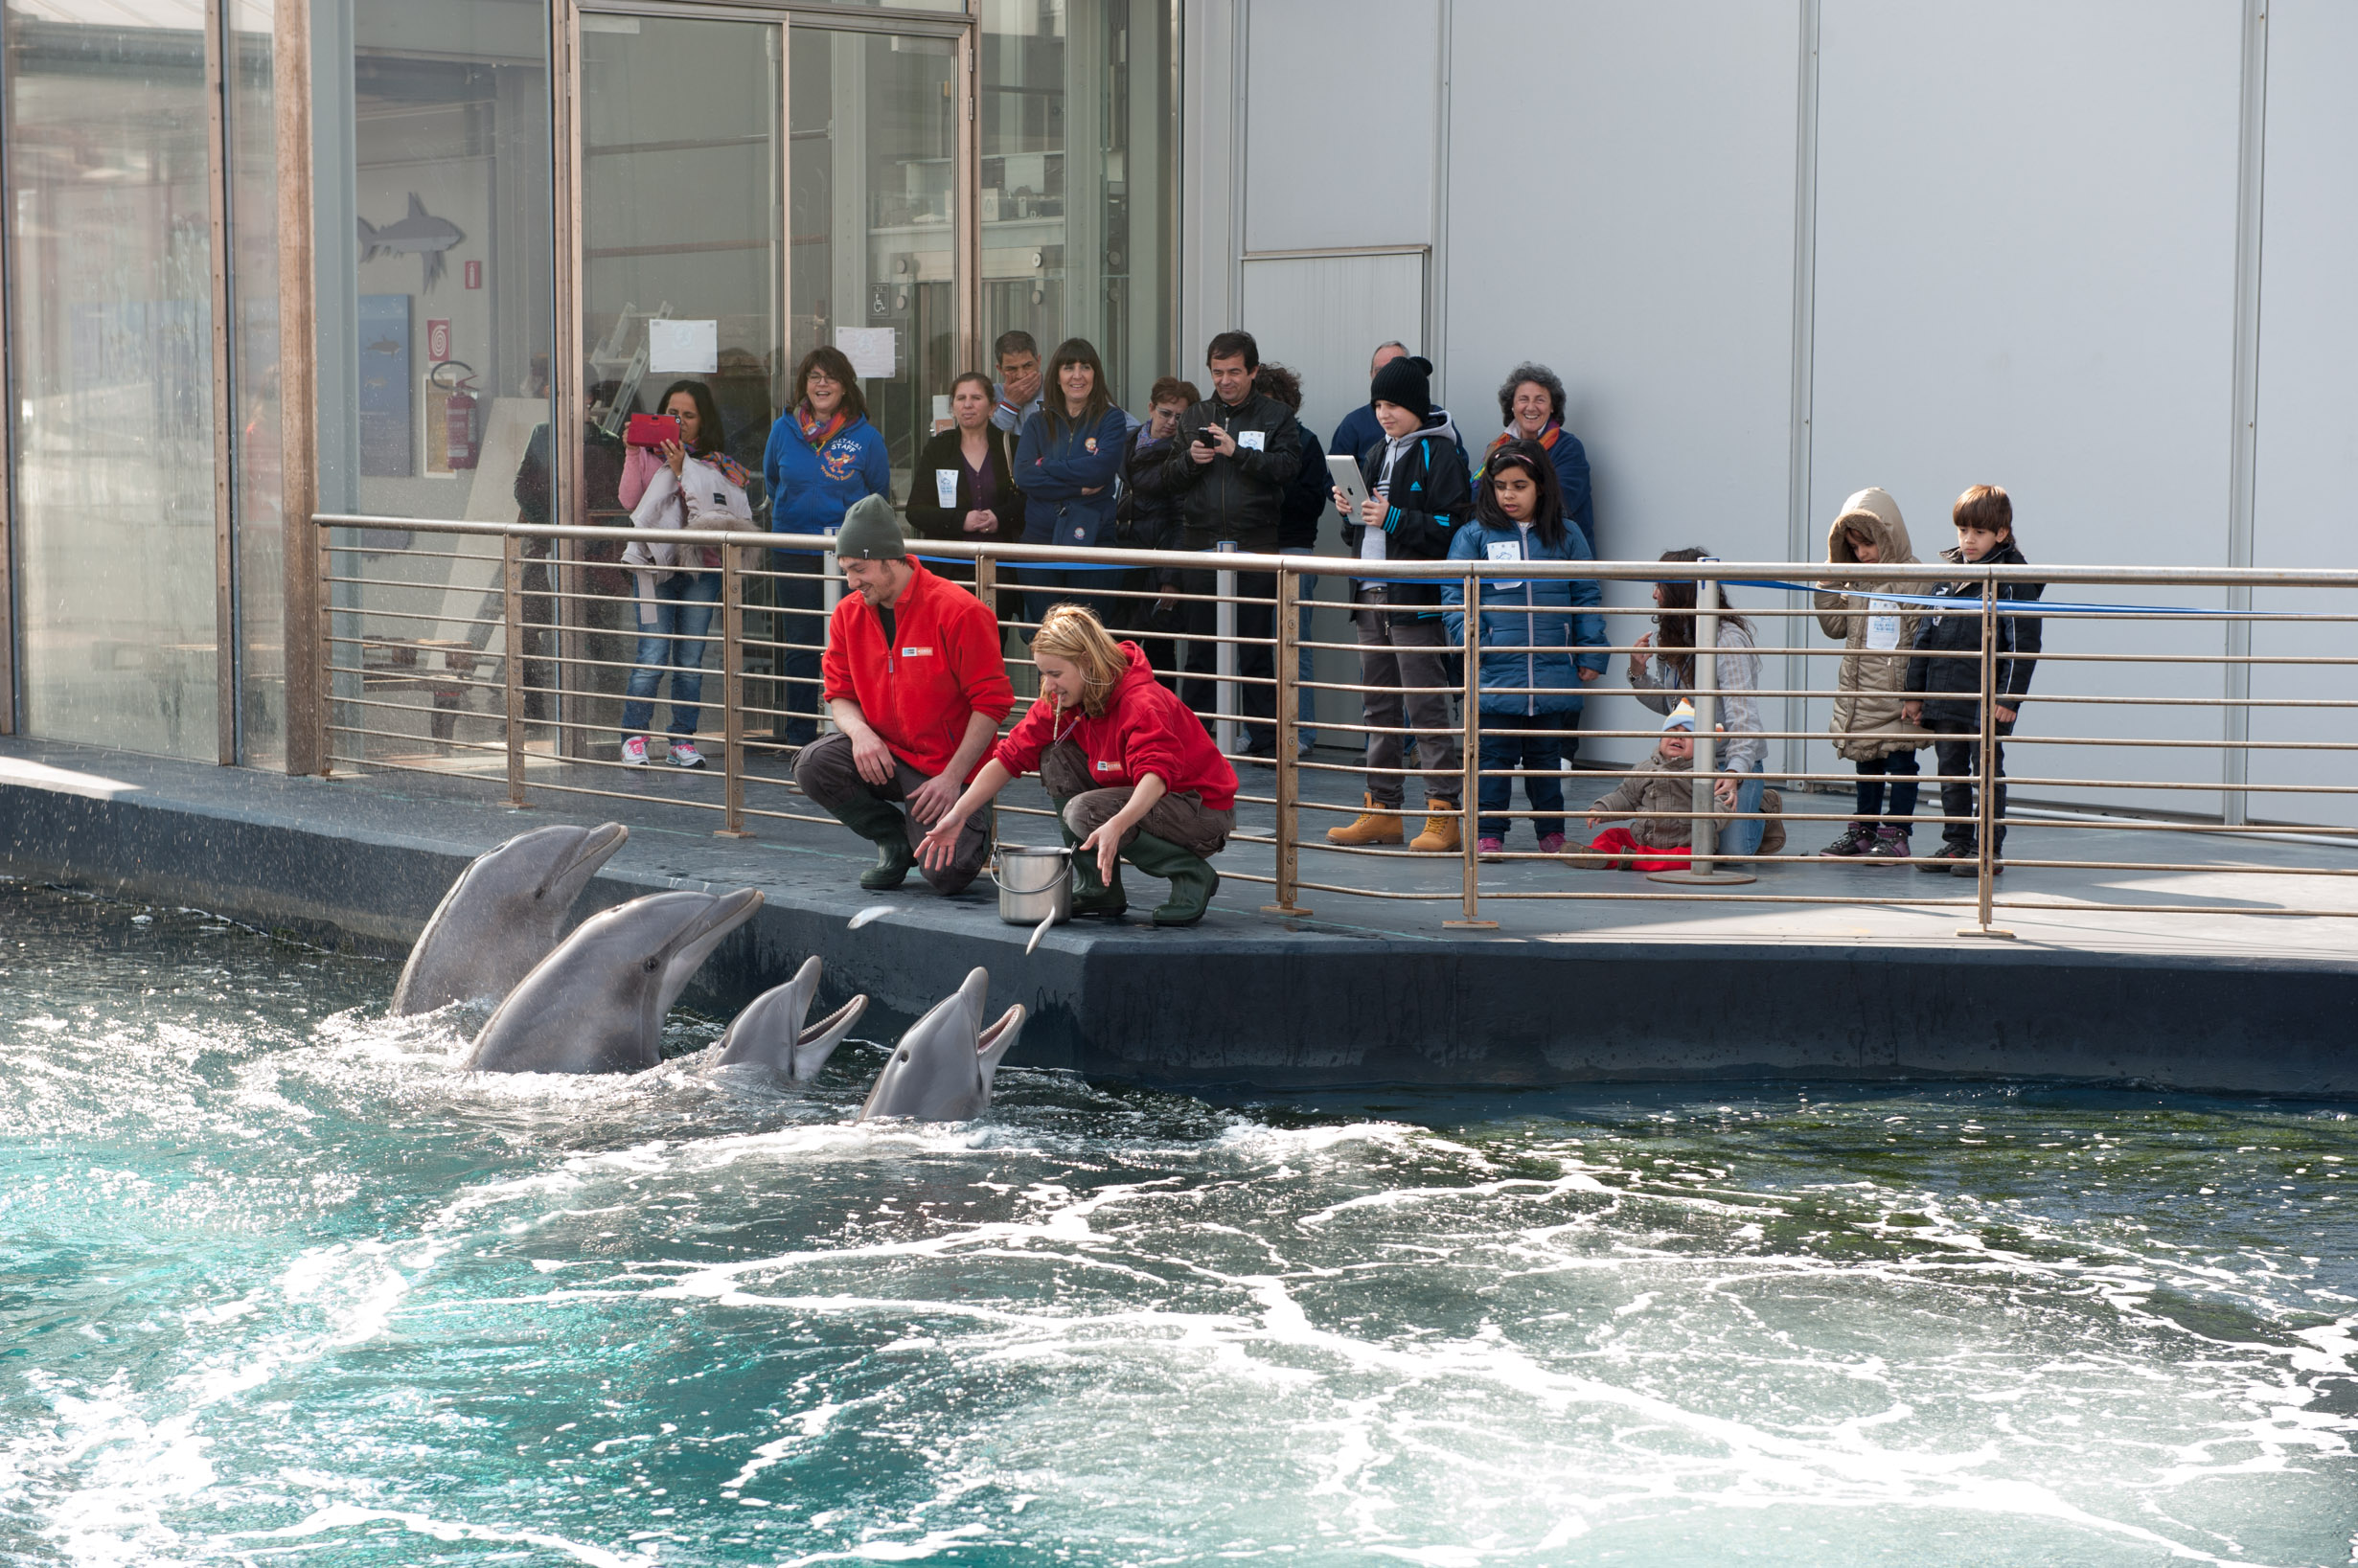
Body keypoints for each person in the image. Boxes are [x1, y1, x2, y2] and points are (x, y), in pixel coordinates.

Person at [917, 604, 1237, 926]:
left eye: (1055, 674)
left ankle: (1190, 875)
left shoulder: (1142, 702)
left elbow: (1156, 775)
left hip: (1199, 812)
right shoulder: (1062, 700)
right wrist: (958, 813)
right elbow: (1009, 756)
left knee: (1084, 812)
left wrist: (1118, 823)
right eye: (1044, 673)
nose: (1049, 684)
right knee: (1055, 756)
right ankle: (1098, 886)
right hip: (1146, 797)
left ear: (1086, 664)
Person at [792, 495, 1013, 895]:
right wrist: (860, 734)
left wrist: (952, 778)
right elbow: (838, 694)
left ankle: (966, 822)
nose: (852, 583)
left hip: (949, 770)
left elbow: (992, 704)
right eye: (846, 571)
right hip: (889, 758)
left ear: (892, 558)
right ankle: (893, 839)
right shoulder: (847, 613)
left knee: (948, 876)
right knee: (813, 763)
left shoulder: (959, 610)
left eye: (859, 569)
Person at [1324, 353, 1472, 852]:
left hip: (1414, 598)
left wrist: (1391, 518)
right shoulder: (1376, 451)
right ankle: (1381, 809)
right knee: (1378, 707)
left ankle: (1442, 813)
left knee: (1426, 707)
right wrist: (1351, 513)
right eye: (1379, 404)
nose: (1384, 414)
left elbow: (1454, 529)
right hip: (1370, 592)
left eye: (1394, 405)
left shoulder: (1440, 454)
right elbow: (1366, 527)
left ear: (1417, 406)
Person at [1135, 330, 1303, 758]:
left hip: (1256, 545)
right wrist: (1191, 460)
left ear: (1253, 371)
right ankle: (1192, 744)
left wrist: (1237, 452)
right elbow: (1167, 480)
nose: (1225, 381)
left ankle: (1267, 744)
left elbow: (1288, 469)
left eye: (1233, 372)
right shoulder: (1195, 415)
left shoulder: (1275, 416)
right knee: (1200, 651)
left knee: (1256, 651)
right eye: (1217, 372)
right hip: (1201, 543)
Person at [1440, 438, 1607, 858]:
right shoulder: (1473, 535)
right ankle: (1488, 832)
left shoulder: (1567, 535)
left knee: (1546, 761)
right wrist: (1472, 643)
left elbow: (1586, 595)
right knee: (1492, 760)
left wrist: (1591, 653)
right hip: (1495, 671)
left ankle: (1551, 832)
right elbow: (1454, 599)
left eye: (1519, 485)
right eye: (1500, 486)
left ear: (1542, 487)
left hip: (1552, 672)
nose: (1508, 495)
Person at [1902, 483, 2044, 875]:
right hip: (1944, 695)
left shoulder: (2013, 578)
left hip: (1985, 699)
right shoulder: (1948, 577)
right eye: (1962, 531)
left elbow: (2023, 644)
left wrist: (2009, 698)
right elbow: (1923, 635)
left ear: (2001, 533)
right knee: (1949, 770)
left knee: (1986, 771)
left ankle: (1987, 851)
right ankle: (1957, 844)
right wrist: (1915, 694)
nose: (1968, 540)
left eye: (1978, 532)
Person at [763, 346, 892, 748]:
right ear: (804, 384)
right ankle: (801, 739)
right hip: (794, 551)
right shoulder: (782, 431)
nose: (822, 384)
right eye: (814, 376)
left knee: (853, 645)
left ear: (845, 386)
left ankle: (855, 738)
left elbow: (879, 495)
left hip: (849, 559)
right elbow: (772, 482)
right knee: (801, 645)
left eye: (831, 377)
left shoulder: (866, 437)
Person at [615, 379, 746, 769]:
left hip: (700, 570)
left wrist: (683, 468)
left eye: (689, 415)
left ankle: (682, 739)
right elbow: (628, 501)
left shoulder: (717, 465)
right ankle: (634, 737)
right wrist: (630, 451)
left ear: (703, 422)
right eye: (673, 413)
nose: (680, 421)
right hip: (653, 569)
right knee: (652, 655)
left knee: (690, 660)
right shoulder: (646, 454)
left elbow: (711, 514)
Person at [1627, 547, 1772, 860]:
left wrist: (1734, 772)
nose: (1654, 595)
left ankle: (1764, 810)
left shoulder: (1728, 640)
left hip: (1729, 760)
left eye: (1660, 587)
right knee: (1691, 844)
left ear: (1680, 591)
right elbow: (1673, 708)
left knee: (1731, 853)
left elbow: (1743, 719)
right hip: (1689, 761)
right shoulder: (1675, 635)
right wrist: (1638, 673)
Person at [1813, 487, 1931, 862]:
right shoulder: (1858, 582)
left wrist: (1917, 693)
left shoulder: (1916, 578)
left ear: (1888, 536)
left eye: (1868, 545)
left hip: (1899, 696)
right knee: (1867, 762)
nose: (1862, 554)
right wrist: (1830, 581)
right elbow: (1833, 625)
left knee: (1901, 764)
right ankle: (1864, 829)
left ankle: (1897, 833)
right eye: (1853, 547)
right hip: (1863, 693)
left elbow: (1926, 637)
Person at [1012, 336, 1129, 629]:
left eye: (1085, 367)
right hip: (1039, 544)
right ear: (1057, 376)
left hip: (1093, 541)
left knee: (1087, 641)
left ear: (1095, 375)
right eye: (1069, 368)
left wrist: (1048, 466)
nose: (1077, 375)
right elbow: (1024, 475)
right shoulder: (1037, 423)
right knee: (1049, 641)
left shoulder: (1112, 419)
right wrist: (1077, 487)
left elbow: (1100, 472)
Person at [907, 371, 1026, 648]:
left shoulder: (1012, 445)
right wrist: (960, 519)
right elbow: (916, 510)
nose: (968, 404)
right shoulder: (938, 448)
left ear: (992, 406)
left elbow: (1029, 502)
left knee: (992, 646)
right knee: (948, 646)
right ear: (953, 407)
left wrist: (999, 517)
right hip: (949, 571)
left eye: (976, 397)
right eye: (961, 398)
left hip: (1000, 571)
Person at [1256, 362, 1330, 757]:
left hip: (1292, 550)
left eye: (1275, 405)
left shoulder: (1306, 442)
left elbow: (1310, 504)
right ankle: (1257, 732)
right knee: (1248, 645)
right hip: (1251, 550)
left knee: (1291, 646)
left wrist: (1269, 484)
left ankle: (1298, 734)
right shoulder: (1244, 440)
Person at [1111, 375, 1200, 688]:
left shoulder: (1183, 456)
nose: (1171, 422)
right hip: (1123, 560)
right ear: (1150, 408)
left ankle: (1159, 728)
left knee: (1160, 657)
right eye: (1165, 413)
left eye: (1180, 417)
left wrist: (1171, 578)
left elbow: (1182, 521)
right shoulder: (1128, 440)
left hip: (1159, 564)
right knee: (1118, 654)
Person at [1474, 362, 1594, 550]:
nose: (1531, 407)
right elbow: (1477, 499)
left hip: (1558, 552)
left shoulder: (1568, 448)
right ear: (1512, 406)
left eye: (1540, 400)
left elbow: (1560, 502)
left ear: (1552, 406)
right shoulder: (1496, 449)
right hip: (1505, 551)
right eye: (1523, 399)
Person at [1576, 701, 1706, 872]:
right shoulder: (1645, 768)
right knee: (1611, 835)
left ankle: (1629, 859)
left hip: (1682, 842)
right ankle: (1598, 855)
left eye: (1688, 734)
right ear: (1660, 739)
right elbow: (1626, 797)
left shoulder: (1704, 773)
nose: (1678, 737)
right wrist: (1603, 808)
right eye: (1672, 731)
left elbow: (1718, 801)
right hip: (1643, 838)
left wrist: (1713, 819)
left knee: (1693, 858)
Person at [1330, 341, 1409, 469]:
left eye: (1393, 369)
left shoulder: (1434, 420)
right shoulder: (1354, 423)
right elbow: (1335, 478)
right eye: (1379, 371)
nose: (1386, 376)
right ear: (1371, 375)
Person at [990, 330, 1045, 436]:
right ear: (1000, 369)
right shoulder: (989, 395)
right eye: (1012, 369)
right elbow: (988, 442)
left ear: (1038, 361)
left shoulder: (1057, 390)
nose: (1021, 375)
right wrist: (1010, 404)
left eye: (1028, 366)